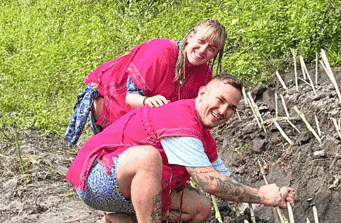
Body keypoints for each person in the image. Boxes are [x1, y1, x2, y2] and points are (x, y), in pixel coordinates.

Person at [66, 73, 296, 223]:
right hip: (97, 178)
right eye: (220, 99)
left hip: (123, 189)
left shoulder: (204, 137)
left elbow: (224, 179)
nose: (223, 110)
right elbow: (211, 183)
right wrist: (262, 196)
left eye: (231, 108)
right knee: (147, 157)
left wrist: (272, 194)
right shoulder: (180, 117)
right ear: (202, 93)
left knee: (200, 208)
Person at [65, 19, 227, 145]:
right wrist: (147, 101)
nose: (203, 50)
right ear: (191, 37)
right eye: (201, 41)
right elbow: (130, 97)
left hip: (149, 116)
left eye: (211, 48)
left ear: (215, 54)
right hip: (114, 100)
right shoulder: (160, 51)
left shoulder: (205, 74)